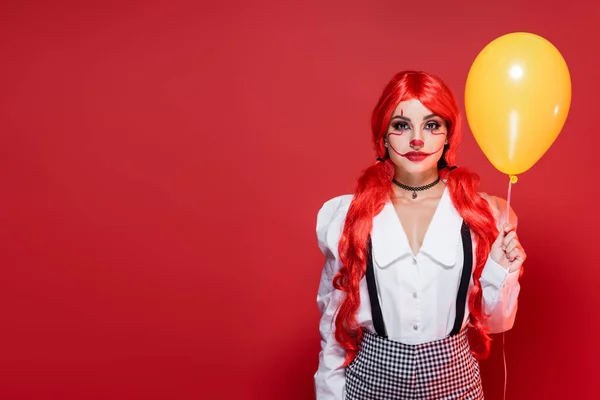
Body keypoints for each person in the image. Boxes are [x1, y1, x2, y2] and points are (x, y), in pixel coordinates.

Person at [314, 70, 526, 400]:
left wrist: (503, 270)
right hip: (370, 384)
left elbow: (497, 323)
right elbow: (334, 330)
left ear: (447, 136)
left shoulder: (485, 214)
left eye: (431, 125)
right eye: (401, 125)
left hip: (454, 383)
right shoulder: (346, 216)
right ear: (383, 136)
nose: (416, 139)